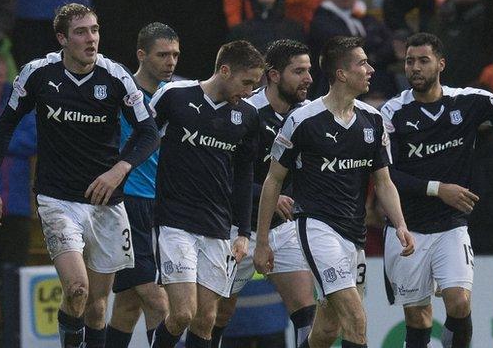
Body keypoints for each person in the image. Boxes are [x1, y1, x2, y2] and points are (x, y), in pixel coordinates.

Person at [0, 3, 160, 348]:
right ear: (62, 38)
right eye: (81, 32)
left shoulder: (116, 76)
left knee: (96, 307)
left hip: (107, 202)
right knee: (77, 288)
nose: (91, 39)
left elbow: (149, 133)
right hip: (57, 199)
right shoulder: (38, 73)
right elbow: (4, 127)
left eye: (94, 30)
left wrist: (118, 170)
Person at [380, 33, 493, 348]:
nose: (415, 68)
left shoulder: (468, 101)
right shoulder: (392, 113)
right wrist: (438, 189)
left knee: (459, 302)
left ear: (441, 64)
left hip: (451, 226)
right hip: (407, 228)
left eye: (423, 60)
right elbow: (386, 174)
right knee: (418, 318)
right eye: (409, 61)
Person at [254, 36, 415, 348]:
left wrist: (400, 224)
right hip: (316, 229)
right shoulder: (302, 120)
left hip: (353, 235)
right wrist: (262, 241)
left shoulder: (374, 120)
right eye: (362, 63)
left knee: (328, 328)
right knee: (356, 319)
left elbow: (383, 182)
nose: (370, 69)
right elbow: (273, 180)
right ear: (341, 74)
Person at [149, 40, 264, 348]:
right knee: (183, 313)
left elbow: (244, 174)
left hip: (218, 226)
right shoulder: (174, 96)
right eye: (247, 82)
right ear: (225, 71)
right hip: (174, 221)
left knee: (206, 319)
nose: (251, 90)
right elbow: (143, 140)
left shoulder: (249, 116)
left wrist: (243, 230)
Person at [211, 39, 316, 348]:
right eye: (299, 71)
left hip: (282, 228)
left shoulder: (308, 115)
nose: (308, 79)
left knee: (305, 307)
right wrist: (266, 196)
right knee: (218, 312)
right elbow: (222, 175)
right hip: (237, 225)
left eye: (308, 71)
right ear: (273, 75)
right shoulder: (244, 111)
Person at [105, 22, 179, 348]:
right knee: (159, 301)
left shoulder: (177, 97)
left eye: (175, 54)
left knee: (128, 304)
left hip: (161, 207)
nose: (171, 61)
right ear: (141, 55)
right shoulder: (119, 94)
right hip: (127, 203)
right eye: (163, 54)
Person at [0, 51, 36, 348]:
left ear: (6, 77)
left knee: (13, 278)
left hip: (17, 208)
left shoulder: (21, 107)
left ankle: (13, 340)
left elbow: (32, 141)